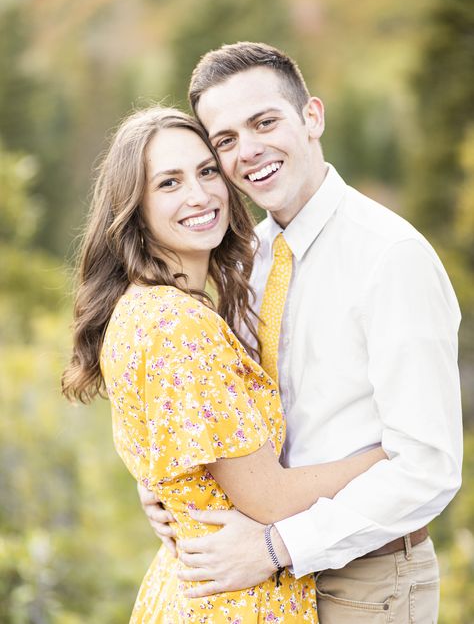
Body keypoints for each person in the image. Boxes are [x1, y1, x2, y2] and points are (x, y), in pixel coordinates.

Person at [139, 43, 463, 623]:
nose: (250, 152)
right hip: (265, 587)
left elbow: (428, 467)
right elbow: (229, 416)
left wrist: (277, 546)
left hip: (366, 582)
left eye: (265, 122)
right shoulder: (243, 260)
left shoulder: (390, 258)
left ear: (312, 117)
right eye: (227, 140)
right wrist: (174, 488)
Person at [61, 105, 388, 622]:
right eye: (169, 183)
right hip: (235, 602)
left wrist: (167, 494)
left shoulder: (140, 307)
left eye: (207, 171)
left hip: (188, 589)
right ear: (135, 207)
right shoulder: (180, 325)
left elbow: (171, 455)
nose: (199, 195)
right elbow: (269, 498)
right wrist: (391, 457)